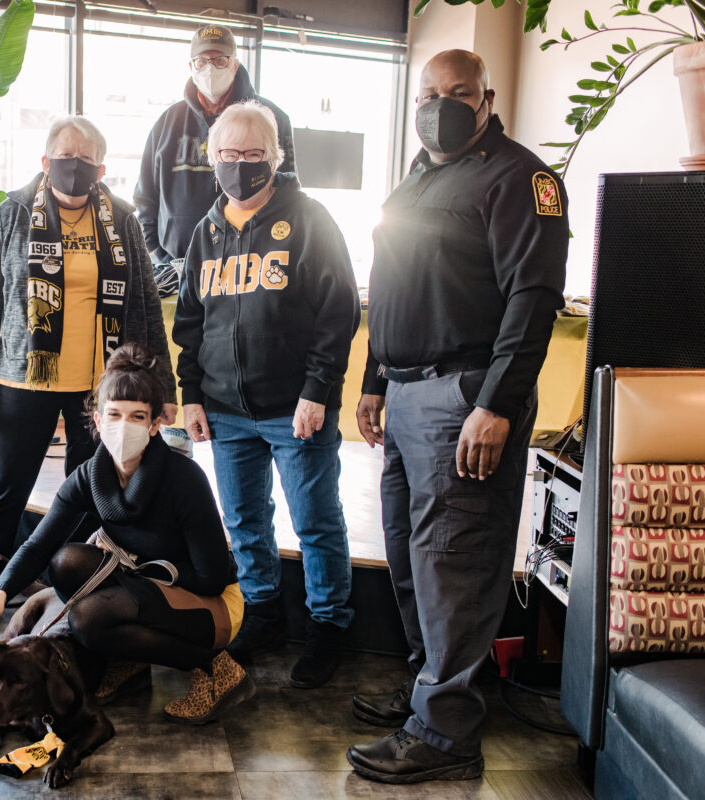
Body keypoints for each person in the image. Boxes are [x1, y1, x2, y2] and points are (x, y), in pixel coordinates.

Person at [346, 50, 568, 784]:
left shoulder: (520, 178)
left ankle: (446, 733)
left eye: (459, 93)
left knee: (456, 562)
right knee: (414, 559)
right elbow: (392, 283)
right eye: (430, 93)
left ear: (487, 99)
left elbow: (533, 298)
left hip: (464, 396)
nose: (441, 104)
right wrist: (375, 378)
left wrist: (496, 405)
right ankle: (427, 696)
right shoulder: (417, 175)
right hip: (406, 388)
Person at [0, 117, 177, 639]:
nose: (74, 168)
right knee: (4, 491)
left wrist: (164, 390)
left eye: (85, 159)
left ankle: (68, 590)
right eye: (64, 157)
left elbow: (143, 303)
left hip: (101, 389)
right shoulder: (13, 213)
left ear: (100, 166)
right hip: (25, 380)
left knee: (90, 493)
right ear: (45, 162)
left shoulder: (120, 218)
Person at [172, 101, 360, 689]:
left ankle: (329, 625)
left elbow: (338, 313)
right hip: (226, 413)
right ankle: (264, 613)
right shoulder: (205, 232)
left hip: (294, 409)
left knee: (315, 520)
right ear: (212, 158)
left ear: (275, 158)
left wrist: (317, 391)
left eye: (254, 155)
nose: (241, 165)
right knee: (245, 521)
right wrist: (193, 396)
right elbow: (190, 323)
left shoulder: (309, 219)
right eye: (229, 155)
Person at [0, 343, 253, 724]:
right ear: (98, 420)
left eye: (136, 417)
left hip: (210, 604)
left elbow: (213, 577)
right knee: (65, 562)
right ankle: (130, 660)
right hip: (147, 587)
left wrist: (140, 577)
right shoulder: (90, 475)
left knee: (88, 620)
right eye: (114, 415)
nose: (123, 427)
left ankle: (220, 672)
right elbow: (39, 545)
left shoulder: (184, 479)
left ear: (154, 425)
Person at [135, 24, 295, 274]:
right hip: (175, 266)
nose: (210, 68)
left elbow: (288, 191)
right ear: (191, 67)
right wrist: (156, 251)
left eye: (220, 60)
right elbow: (145, 196)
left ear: (234, 64)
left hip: (249, 266)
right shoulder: (167, 123)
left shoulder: (272, 118)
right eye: (201, 61)